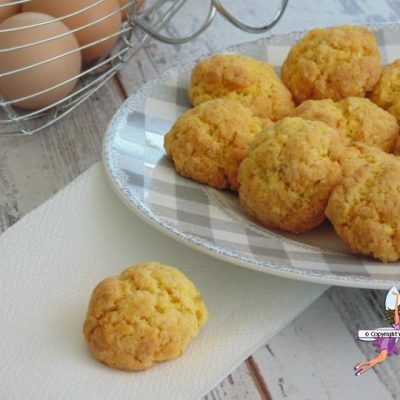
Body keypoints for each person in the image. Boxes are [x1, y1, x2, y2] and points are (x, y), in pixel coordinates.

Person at [354, 291, 400, 376]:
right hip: (389, 338)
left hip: (391, 339)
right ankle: (361, 367)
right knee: (381, 358)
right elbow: (396, 310)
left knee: (380, 359)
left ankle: (361, 367)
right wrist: (397, 297)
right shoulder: (397, 322)